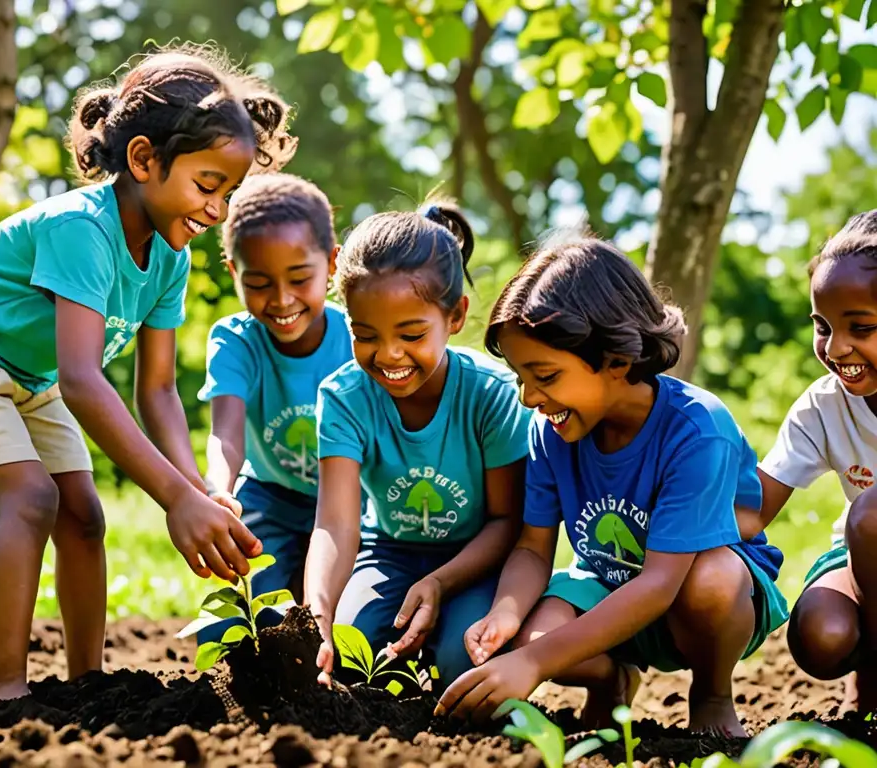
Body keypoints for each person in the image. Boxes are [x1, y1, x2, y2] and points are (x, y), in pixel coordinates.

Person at [0, 44, 296, 707]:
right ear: (143, 160)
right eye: (207, 185)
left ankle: (87, 682)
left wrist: (196, 490)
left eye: (230, 192)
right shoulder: (82, 229)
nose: (217, 211)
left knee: (82, 516)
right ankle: (2, 692)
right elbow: (82, 380)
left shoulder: (170, 256)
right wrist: (173, 499)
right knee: (31, 500)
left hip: (27, 368)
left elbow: (158, 387)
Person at [435, 233, 788, 737]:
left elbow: (660, 583)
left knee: (712, 579)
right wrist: (505, 617)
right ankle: (612, 683)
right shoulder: (552, 430)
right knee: (532, 635)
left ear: (616, 361)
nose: (529, 396)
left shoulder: (697, 430)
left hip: (697, 598)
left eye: (545, 375)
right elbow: (534, 549)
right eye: (519, 376)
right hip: (606, 580)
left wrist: (534, 664)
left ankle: (712, 692)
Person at [305, 202, 531, 691]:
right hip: (388, 554)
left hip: (476, 560)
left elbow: (506, 521)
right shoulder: (343, 398)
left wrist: (441, 583)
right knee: (352, 655)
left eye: (411, 334)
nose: (388, 355)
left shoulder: (491, 394)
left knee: (463, 665)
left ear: (455, 316)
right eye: (365, 335)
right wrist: (316, 616)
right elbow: (337, 523)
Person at [194, 172, 351, 641]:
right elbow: (226, 434)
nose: (281, 300)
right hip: (270, 498)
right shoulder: (234, 340)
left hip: (349, 502)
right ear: (232, 272)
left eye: (300, 279)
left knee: (345, 631)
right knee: (238, 631)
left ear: (332, 264)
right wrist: (218, 491)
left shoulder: (355, 339)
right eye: (259, 283)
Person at [740, 211, 877, 715]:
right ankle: (868, 674)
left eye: (860, 327)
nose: (837, 348)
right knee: (822, 633)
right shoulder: (824, 405)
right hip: (867, 565)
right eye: (823, 326)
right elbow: (751, 510)